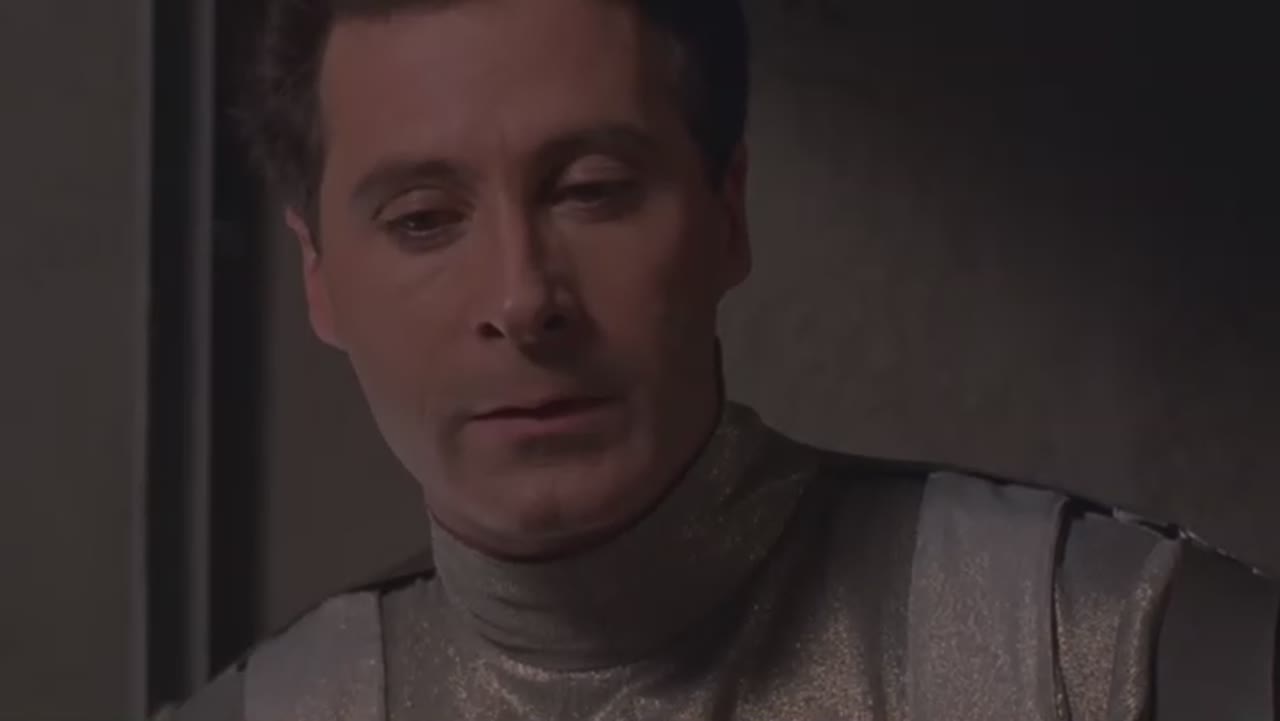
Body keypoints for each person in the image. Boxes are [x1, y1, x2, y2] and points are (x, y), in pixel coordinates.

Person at [159, 0, 1278, 718]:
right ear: (319, 277)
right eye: (422, 219)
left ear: (725, 213)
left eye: (592, 191)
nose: (520, 298)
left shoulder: (1118, 649)